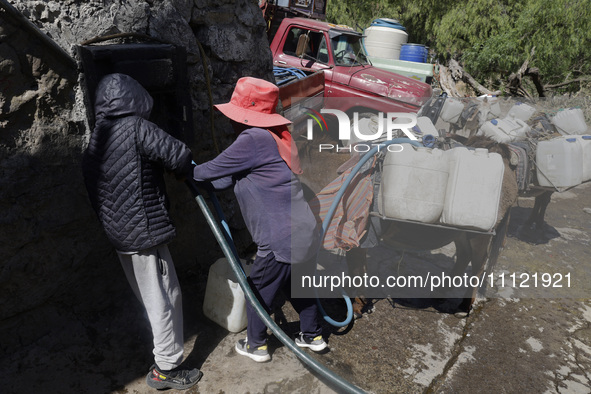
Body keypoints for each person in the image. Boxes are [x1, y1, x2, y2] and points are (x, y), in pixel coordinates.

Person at [193, 77, 327, 362]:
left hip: (280, 238)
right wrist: (204, 184)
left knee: (256, 290)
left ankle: (256, 345)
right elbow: (226, 178)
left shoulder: (253, 139)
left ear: (245, 116)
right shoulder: (276, 137)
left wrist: (182, 167)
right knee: (298, 287)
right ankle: (312, 335)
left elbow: (208, 172)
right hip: (305, 232)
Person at [82, 73, 202, 390]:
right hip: (144, 235)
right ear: (135, 97)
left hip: (120, 236)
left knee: (150, 298)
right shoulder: (138, 127)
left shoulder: (98, 136)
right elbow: (178, 155)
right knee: (164, 300)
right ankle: (166, 369)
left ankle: (163, 356)